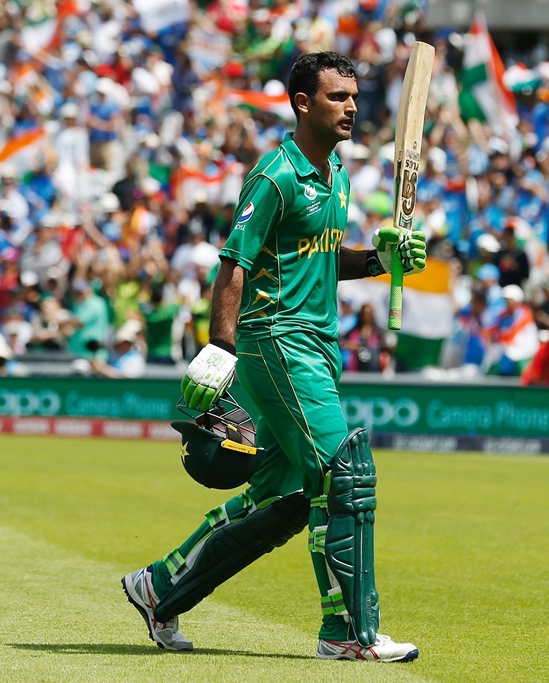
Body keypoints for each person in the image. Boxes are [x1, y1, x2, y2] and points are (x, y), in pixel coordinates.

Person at [120, 52, 425, 662]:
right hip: (278, 341)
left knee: (285, 499)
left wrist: (379, 262)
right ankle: (347, 633)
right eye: (338, 96)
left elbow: (320, 259)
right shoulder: (276, 175)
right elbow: (235, 263)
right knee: (344, 472)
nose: (353, 107)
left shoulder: (335, 172)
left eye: (355, 96)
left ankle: (160, 587)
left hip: (317, 344)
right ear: (303, 103)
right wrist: (220, 349)